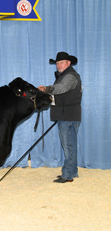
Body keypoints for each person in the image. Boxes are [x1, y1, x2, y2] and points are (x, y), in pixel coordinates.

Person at [38, 51, 82, 183]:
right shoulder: (64, 75)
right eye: (57, 63)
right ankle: (72, 171)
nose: (58, 65)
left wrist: (46, 89)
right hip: (68, 114)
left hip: (67, 115)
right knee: (71, 145)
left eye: (61, 63)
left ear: (68, 63)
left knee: (68, 145)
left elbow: (61, 88)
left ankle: (67, 175)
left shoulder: (70, 76)